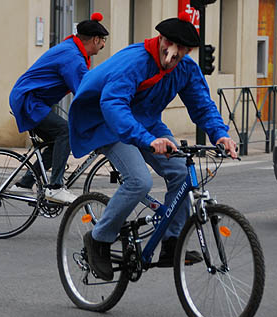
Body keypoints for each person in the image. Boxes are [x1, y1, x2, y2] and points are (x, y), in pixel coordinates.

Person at [68, 13, 238, 280]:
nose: (176, 52)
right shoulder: (135, 62)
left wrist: (220, 134)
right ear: (161, 40)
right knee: (139, 181)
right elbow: (113, 104)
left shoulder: (185, 67)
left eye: (183, 49)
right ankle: (98, 238)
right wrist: (147, 140)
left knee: (182, 173)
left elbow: (202, 105)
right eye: (172, 45)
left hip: (146, 122)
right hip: (107, 123)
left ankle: (172, 244)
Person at [9, 13, 109, 204]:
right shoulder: (73, 58)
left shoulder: (72, 49)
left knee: (56, 142)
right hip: (29, 101)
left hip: (31, 99)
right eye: (102, 41)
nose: (103, 45)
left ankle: (23, 184)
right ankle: (55, 188)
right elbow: (84, 94)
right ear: (95, 39)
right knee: (66, 131)